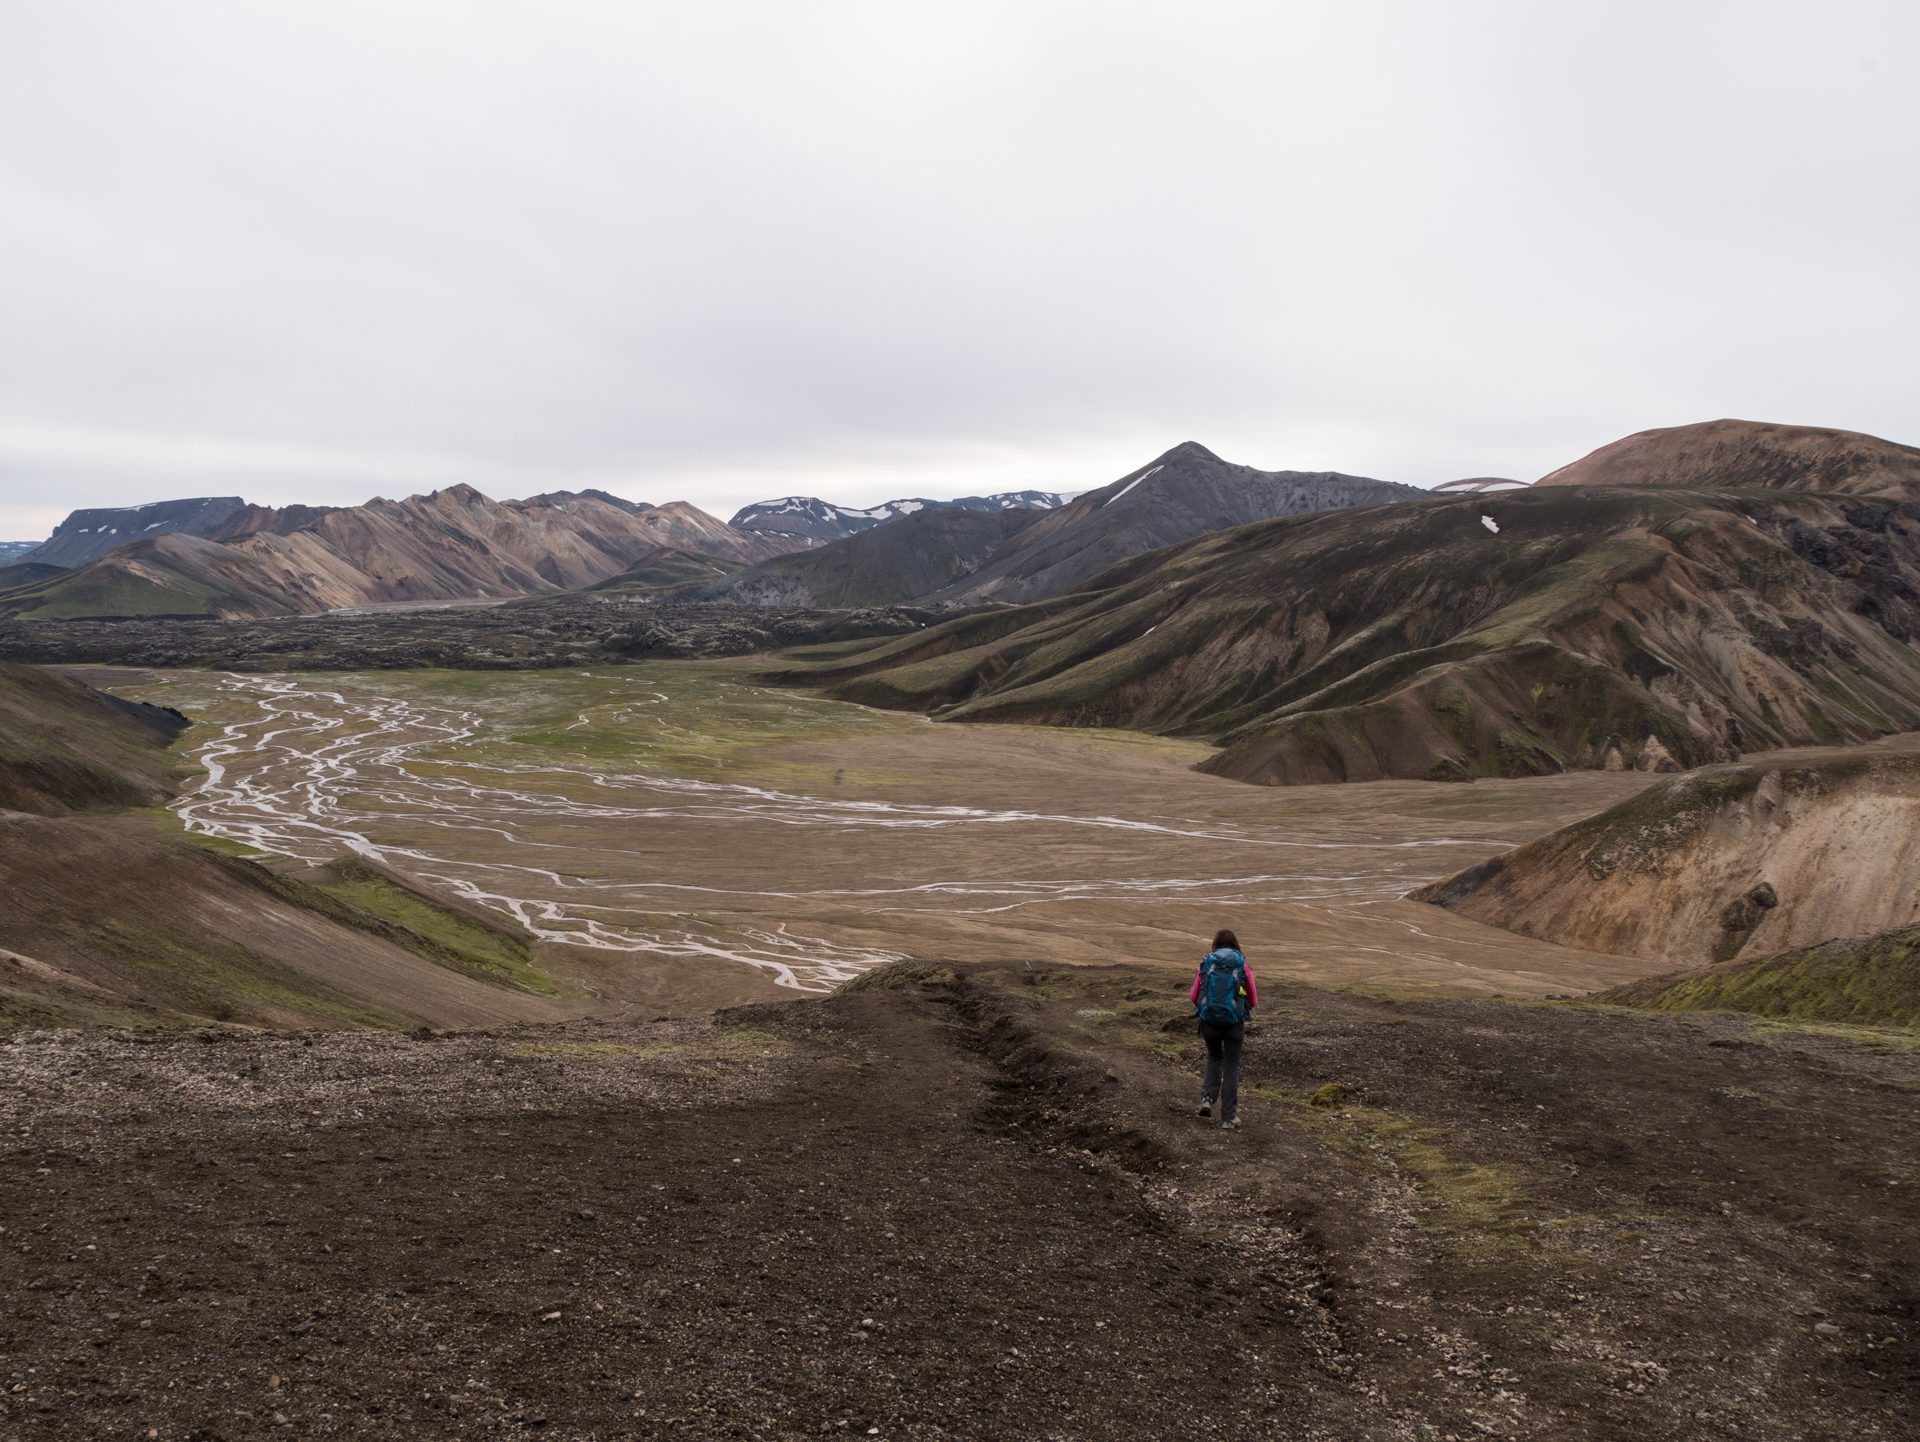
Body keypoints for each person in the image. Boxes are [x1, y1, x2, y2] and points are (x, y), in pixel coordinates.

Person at [1190, 928, 1257, 1130]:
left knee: (1213, 1057)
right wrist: (1238, 998)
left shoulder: (1208, 963)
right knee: (1231, 1066)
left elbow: (1194, 996)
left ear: (1215, 945)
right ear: (1236, 945)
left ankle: (1207, 1100)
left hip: (1209, 1021)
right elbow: (1252, 999)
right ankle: (1228, 1118)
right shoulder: (1242, 967)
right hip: (1234, 1024)